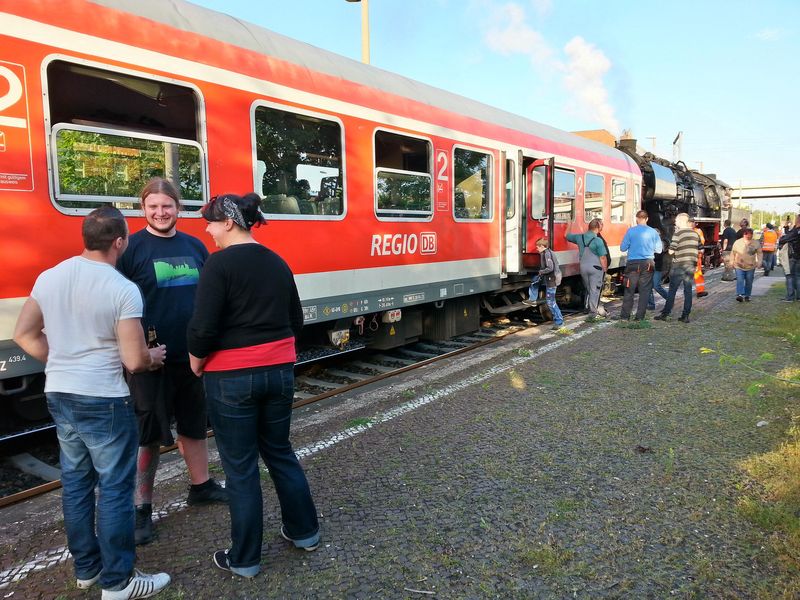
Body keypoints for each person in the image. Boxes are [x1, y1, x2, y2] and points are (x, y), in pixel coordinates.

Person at [13, 207, 171, 600]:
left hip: (60, 393)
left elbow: (23, 334)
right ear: (120, 241)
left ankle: (87, 569)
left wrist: (62, 361)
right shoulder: (121, 289)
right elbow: (135, 360)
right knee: (116, 489)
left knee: (77, 484)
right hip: (104, 398)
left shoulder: (50, 277)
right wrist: (155, 356)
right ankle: (118, 581)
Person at [187, 193, 320, 578]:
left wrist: (196, 361)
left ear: (229, 222)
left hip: (231, 378)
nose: (208, 230)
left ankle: (245, 559)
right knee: (279, 451)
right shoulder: (277, 261)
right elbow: (296, 320)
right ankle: (305, 533)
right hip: (279, 372)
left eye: (211, 222)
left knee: (241, 468)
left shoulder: (218, 265)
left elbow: (204, 326)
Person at [117, 178, 228, 546]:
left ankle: (201, 486)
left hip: (192, 356)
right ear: (143, 209)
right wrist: (132, 354)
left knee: (195, 426)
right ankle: (140, 509)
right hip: (149, 360)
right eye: (153, 207)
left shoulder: (196, 247)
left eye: (167, 206)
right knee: (147, 435)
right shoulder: (131, 250)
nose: (161, 212)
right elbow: (116, 306)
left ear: (177, 208)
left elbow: (212, 296)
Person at [654, 213, 701, 323]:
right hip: (691, 265)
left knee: (672, 291)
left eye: (676, 221)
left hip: (679, 265)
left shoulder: (678, 233)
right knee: (688, 290)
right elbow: (698, 247)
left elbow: (671, 251)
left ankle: (666, 313)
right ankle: (685, 315)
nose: (675, 223)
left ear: (681, 221)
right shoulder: (695, 234)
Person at [619, 210, 663, 321]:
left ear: (636, 219)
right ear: (647, 219)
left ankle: (625, 317)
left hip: (633, 264)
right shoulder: (653, 232)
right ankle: (639, 317)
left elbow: (622, 248)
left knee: (629, 290)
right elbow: (659, 250)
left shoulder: (630, 231)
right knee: (645, 291)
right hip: (648, 263)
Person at [566, 218, 608, 320]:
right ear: (598, 227)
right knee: (595, 290)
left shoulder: (580, 238)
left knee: (589, 289)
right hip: (595, 268)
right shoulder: (598, 240)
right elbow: (602, 257)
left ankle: (595, 309)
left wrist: (569, 224)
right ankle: (593, 313)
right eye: (602, 225)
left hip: (583, 267)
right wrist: (605, 269)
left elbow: (566, 236)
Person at [535, 238, 563, 330]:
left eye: (537, 247)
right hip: (552, 279)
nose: (537, 249)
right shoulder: (548, 252)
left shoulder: (547, 254)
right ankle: (558, 321)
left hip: (552, 280)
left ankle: (559, 321)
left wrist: (541, 272)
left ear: (542, 246)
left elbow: (550, 268)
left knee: (551, 302)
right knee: (551, 301)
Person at [731, 227, 759, 302]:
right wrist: (732, 262)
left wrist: (759, 262)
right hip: (739, 265)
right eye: (747, 235)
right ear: (744, 234)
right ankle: (740, 294)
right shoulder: (737, 242)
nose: (749, 236)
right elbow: (733, 253)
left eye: (751, 235)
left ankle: (747, 295)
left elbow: (760, 253)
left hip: (750, 266)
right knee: (740, 280)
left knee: (749, 281)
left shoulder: (756, 243)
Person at [778, 214, 800, 301]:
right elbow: (790, 234)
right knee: (798, 276)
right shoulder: (796, 230)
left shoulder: (796, 231)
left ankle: (790, 296)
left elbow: (785, 239)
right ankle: (798, 297)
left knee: (789, 276)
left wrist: (782, 238)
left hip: (793, 256)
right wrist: (787, 228)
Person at [647, 235, 670, 310]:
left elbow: (658, 256)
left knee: (656, 286)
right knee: (648, 286)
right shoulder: (650, 244)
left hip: (657, 268)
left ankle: (669, 300)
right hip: (649, 268)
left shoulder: (660, 244)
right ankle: (651, 305)